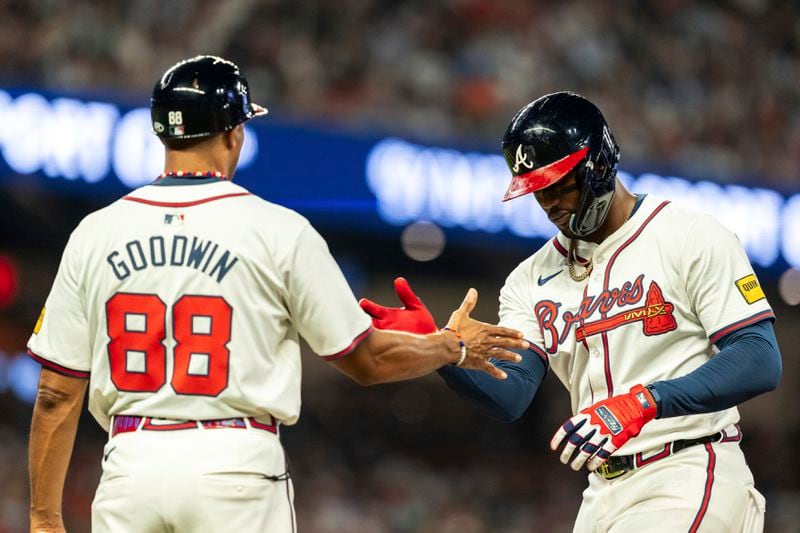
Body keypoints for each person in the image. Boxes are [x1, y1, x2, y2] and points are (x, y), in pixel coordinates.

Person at [26, 55, 529, 533]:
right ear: (234, 132)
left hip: (129, 466)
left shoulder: (96, 232)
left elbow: (54, 393)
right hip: (235, 464)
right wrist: (452, 345)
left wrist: (45, 519)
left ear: (161, 131)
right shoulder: (278, 230)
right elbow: (367, 361)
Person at [359, 91, 782, 532]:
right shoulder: (529, 278)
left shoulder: (690, 234)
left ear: (599, 163)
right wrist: (442, 350)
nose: (549, 204)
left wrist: (644, 402)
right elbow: (513, 393)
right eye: (537, 191)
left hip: (690, 468)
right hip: (602, 492)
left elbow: (759, 357)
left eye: (559, 185)